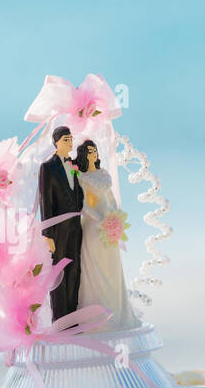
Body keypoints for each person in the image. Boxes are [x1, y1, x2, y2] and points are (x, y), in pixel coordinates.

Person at [74, 138, 139, 331]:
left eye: (95, 151)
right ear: (84, 156)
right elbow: (84, 205)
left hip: (110, 228)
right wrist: (100, 219)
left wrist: (115, 218)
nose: (93, 154)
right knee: (95, 273)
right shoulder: (82, 177)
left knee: (112, 270)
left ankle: (116, 312)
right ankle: (97, 319)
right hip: (94, 229)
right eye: (89, 152)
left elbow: (110, 200)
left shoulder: (103, 175)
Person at [37, 126, 84, 321]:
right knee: (58, 272)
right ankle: (60, 319)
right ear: (56, 142)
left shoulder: (74, 165)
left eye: (71, 139)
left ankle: (72, 317)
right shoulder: (47, 167)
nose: (70, 143)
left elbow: (78, 190)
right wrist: (47, 234)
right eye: (66, 139)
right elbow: (45, 201)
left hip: (75, 225)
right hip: (57, 229)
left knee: (75, 269)